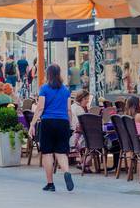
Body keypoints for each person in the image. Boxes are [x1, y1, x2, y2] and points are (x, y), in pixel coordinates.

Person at [29, 64, 74, 192]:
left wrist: (32, 124)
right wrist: (69, 124)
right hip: (63, 122)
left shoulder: (44, 89)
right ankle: (66, 172)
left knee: (47, 153)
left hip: (48, 122)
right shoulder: (66, 90)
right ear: (59, 74)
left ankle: (50, 184)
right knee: (61, 152)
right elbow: (69, 109)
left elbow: (40, 107)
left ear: (48, 74)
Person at [70, 90, 91, 172]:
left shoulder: (72, 106)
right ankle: (84, 164)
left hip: (70, 137)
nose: (88, 101)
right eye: (86, 99)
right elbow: (85, 127)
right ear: (82, 99)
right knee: (97, 143)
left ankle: (85, 165)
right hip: (77, 138)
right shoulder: (80, 110)